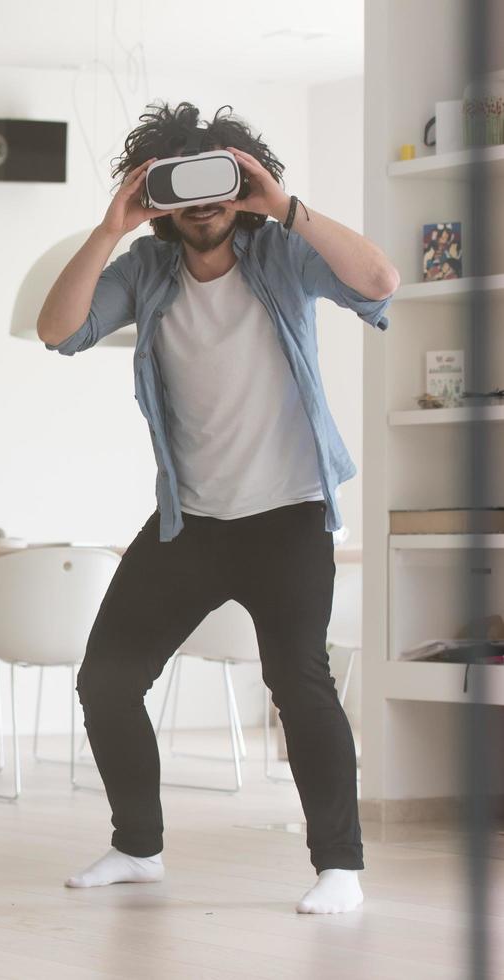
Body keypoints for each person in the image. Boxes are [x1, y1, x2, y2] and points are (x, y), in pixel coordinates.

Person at [36, 102, 398, 916]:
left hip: (288, 515)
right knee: (106, 679)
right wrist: (107, 229)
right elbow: (58, 330)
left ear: (241, 183)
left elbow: (378, 283)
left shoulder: (280, 253)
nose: (202, 202)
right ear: (156, 196)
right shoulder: (142, 270)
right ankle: (137, 847)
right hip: (189, 522)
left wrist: (282, 204)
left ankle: (339, 867)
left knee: (298, 681)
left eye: (219, 180)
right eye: (179, 184)